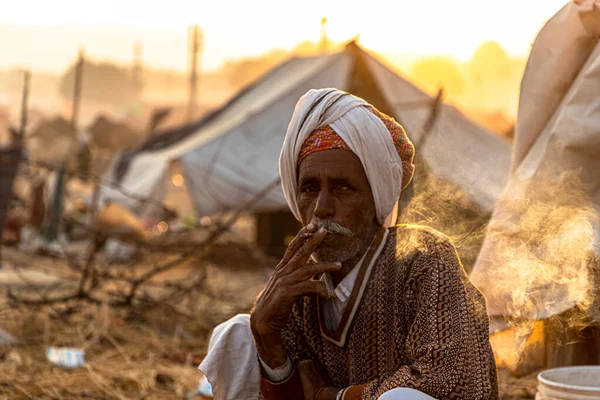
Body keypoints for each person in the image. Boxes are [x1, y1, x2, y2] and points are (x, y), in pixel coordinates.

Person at [200, 88, 499, 400]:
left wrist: (334, 397)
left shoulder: (424, 259)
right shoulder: (300, 284)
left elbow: (450, 380)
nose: (322, 208)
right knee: (236, 335)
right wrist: (266, 335)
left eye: (343, 188)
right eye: (310, 188)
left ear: (375, 198)